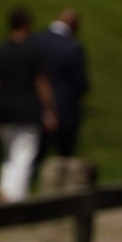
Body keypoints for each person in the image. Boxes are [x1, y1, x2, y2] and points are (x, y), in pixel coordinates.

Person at [0, 7, 57, 201]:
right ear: (27, 25)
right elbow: (41, 83)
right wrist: (49, 109)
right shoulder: (33, 52)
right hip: (28, 111)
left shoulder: (0, 50)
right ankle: (16, 199)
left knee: (9, 156)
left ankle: (6, 191)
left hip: (5, 110)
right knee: (24, 156)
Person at [36, 8, 89, 158]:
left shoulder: (35, 41)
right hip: (65, 111)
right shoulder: (72, 47)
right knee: (64, 159)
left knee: (34, 157)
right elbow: (81, 83)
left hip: (36, 109)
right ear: (74, 25)